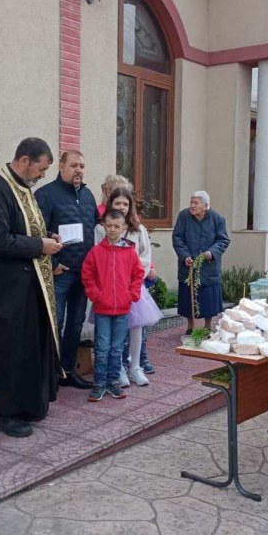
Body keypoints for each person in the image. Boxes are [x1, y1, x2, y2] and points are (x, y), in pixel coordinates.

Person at [0, 138, 63, 438]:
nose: (42, 175)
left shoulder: (24, 189)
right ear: (24, 160)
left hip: (29, 286)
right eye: (41, 168)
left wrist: (46, 237)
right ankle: (5, 414)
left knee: (27, 348)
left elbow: (25, 230)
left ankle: (28, 404)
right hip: (7, 290)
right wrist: (40, 245)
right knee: (9, 349)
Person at [36, 150, 100, 390]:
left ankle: (68, 370)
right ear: (61, 166)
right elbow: (36, 232)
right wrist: (52, 264)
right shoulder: (46, 195)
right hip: (60, 273)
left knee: (75, 324)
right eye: (74, 165)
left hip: (83, 273)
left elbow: (95, 227)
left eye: (82, 166)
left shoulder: (88, 195)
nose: (79, 170)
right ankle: (50, 375)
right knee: (55, 323)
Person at [94, 187, 161, 386]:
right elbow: (97, 257)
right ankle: (119, 368)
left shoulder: (137, 229)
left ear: (130, 206)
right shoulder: (101, 229)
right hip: (110, 287)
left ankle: (136, 367)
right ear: (110, 205)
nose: (121, 207)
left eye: (125, 204)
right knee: (116, 330)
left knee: (135, 327)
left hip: (133, 286)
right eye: (117, 203)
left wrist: (132, 275)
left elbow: (145, 254)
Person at [82, 209, 144, 402]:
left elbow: (137, 274)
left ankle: (113, 381)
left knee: (117, 348)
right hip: (102, 309)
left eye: (116, 226)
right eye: (109, 226)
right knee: (102, 348)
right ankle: (99, 383)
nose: (112, 230)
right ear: (104, 227)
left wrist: (131, 295)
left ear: (124, 228)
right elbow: (87, 275)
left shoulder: (130, 252)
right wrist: (96, 295)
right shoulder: (96, 252)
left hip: (123, 310)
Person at [172, 191, 230, 333]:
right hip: (188, 264)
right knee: (188, 297)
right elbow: (177, 238)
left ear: (205, 205)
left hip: (208, 266)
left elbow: (223, 240)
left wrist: (212, 252)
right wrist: (185, 256)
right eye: (191, 202)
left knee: (208, 299)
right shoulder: (184, 216)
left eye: (196, 203)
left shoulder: (218, 219)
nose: (192, 206)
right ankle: (190, 326)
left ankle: (207, 327)